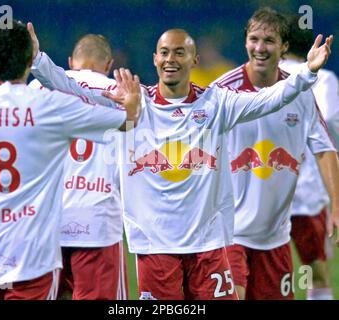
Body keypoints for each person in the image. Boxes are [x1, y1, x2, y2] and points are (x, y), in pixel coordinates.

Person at [27, 21, 334, 300]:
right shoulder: (135, 101)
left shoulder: (217, 102)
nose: (170, 59)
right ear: (154, 59)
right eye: (164, 53)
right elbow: (74, 85)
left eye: (179, 53)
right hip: (155, 249)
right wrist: (39, 61)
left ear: (194, 60)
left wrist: (306, 73)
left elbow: (269, 98)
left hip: (209, 248)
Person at [0, 20, 141, 300]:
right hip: (37, 246)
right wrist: (133, 107)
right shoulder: (49, 104)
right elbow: (125, 122)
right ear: (29, 58)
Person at [212, 7, 339, 300]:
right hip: (229, 234)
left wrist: (336, 203)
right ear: (245, 42)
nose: (260, 47)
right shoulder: (222, 92)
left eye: (269, 40)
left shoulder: (301, 94)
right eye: (254, 39)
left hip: (275, 237)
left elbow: (323, 147)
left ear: (283, 46)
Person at [30, 34, 128, 300]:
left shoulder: (38, 89)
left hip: (46, 217)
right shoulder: (121, 95)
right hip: (98, 219)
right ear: (108, 65)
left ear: (71, 61)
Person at [279, 15, 339, 300]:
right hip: (308, 189)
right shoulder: (323, 78)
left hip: (265, 188)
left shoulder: (262, 75)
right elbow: (328, 120)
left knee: (261, 270)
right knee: (314, 269)